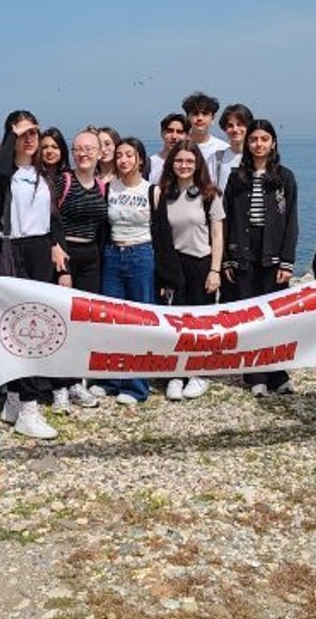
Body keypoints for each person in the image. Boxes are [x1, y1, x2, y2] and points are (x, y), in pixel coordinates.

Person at [0, 110, 61, 439]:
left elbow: (51, 215)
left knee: (35, 325)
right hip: (10, 249)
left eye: (33, 133)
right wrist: (14, 135)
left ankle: (15, 400)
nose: (29, 139)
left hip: (38, 249)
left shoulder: (43, 173)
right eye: (22, 133)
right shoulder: (1, 173)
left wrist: (56, 244)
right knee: (19, 328)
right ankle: (28, 407)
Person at [222, 119, 298, 396]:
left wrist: (287, 261)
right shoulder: (237, 177)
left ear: (273, 142)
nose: (258, 144)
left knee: (275, 317)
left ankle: (278, 374)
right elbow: (227, 218)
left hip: (273, 253)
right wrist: (227, 259)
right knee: (251, 317)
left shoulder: (284, 177)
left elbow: (291, 220)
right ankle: (255, 376)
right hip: (243, 251)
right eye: (254, 139)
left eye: (264, 139)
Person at [155, 139, 224, 400]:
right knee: (176, 322)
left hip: (201, 263)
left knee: (201, 320)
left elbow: (217, 235)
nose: (184, 165)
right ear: (171, 164)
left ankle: (199, 372)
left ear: (197, 164)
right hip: (173, 264)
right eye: (179, 161)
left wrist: (215, 271)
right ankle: (177, 373)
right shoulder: (162, 194)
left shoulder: (210, 194)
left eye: (189, 161)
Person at [99, 136, 163, 405]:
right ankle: (111, 379)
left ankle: (137, 385)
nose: (123, 160)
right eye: (119, 155)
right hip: (113, 255)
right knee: (112, 318)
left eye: (129, 155)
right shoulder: (107, 188)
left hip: (142, 255)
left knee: (140, 320)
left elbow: (161, 232)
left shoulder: (152, 191)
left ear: (140, 160)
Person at [49, 129, 107, 412]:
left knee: (83, 323)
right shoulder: (63, 180)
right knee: (62, 322)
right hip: (65, 255)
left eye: (88, 148)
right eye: (77, 148)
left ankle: (75, 382)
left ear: (100, 153)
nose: (83, 154)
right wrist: (57, 251)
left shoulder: (102, 185)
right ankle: (58, 387)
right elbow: (50, 217)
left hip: (91, 257)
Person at [208, 103, 254, 195]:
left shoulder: (256, 157)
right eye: (230, 125)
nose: (235, 129)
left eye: (240, 124)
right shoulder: (217, 158)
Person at [181, 91, 230, 162]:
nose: (200, 118)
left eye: (205, 114)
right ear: (187, 117)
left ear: (213, 118)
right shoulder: (179, 146)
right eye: (195, 113)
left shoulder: (223, 149)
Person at [148, 113, 188, 186]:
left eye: (179, 132)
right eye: (170, 131)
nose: (174, 137)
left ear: (187, 136)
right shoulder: (150, 164)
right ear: (162, 133)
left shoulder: (191, 165)